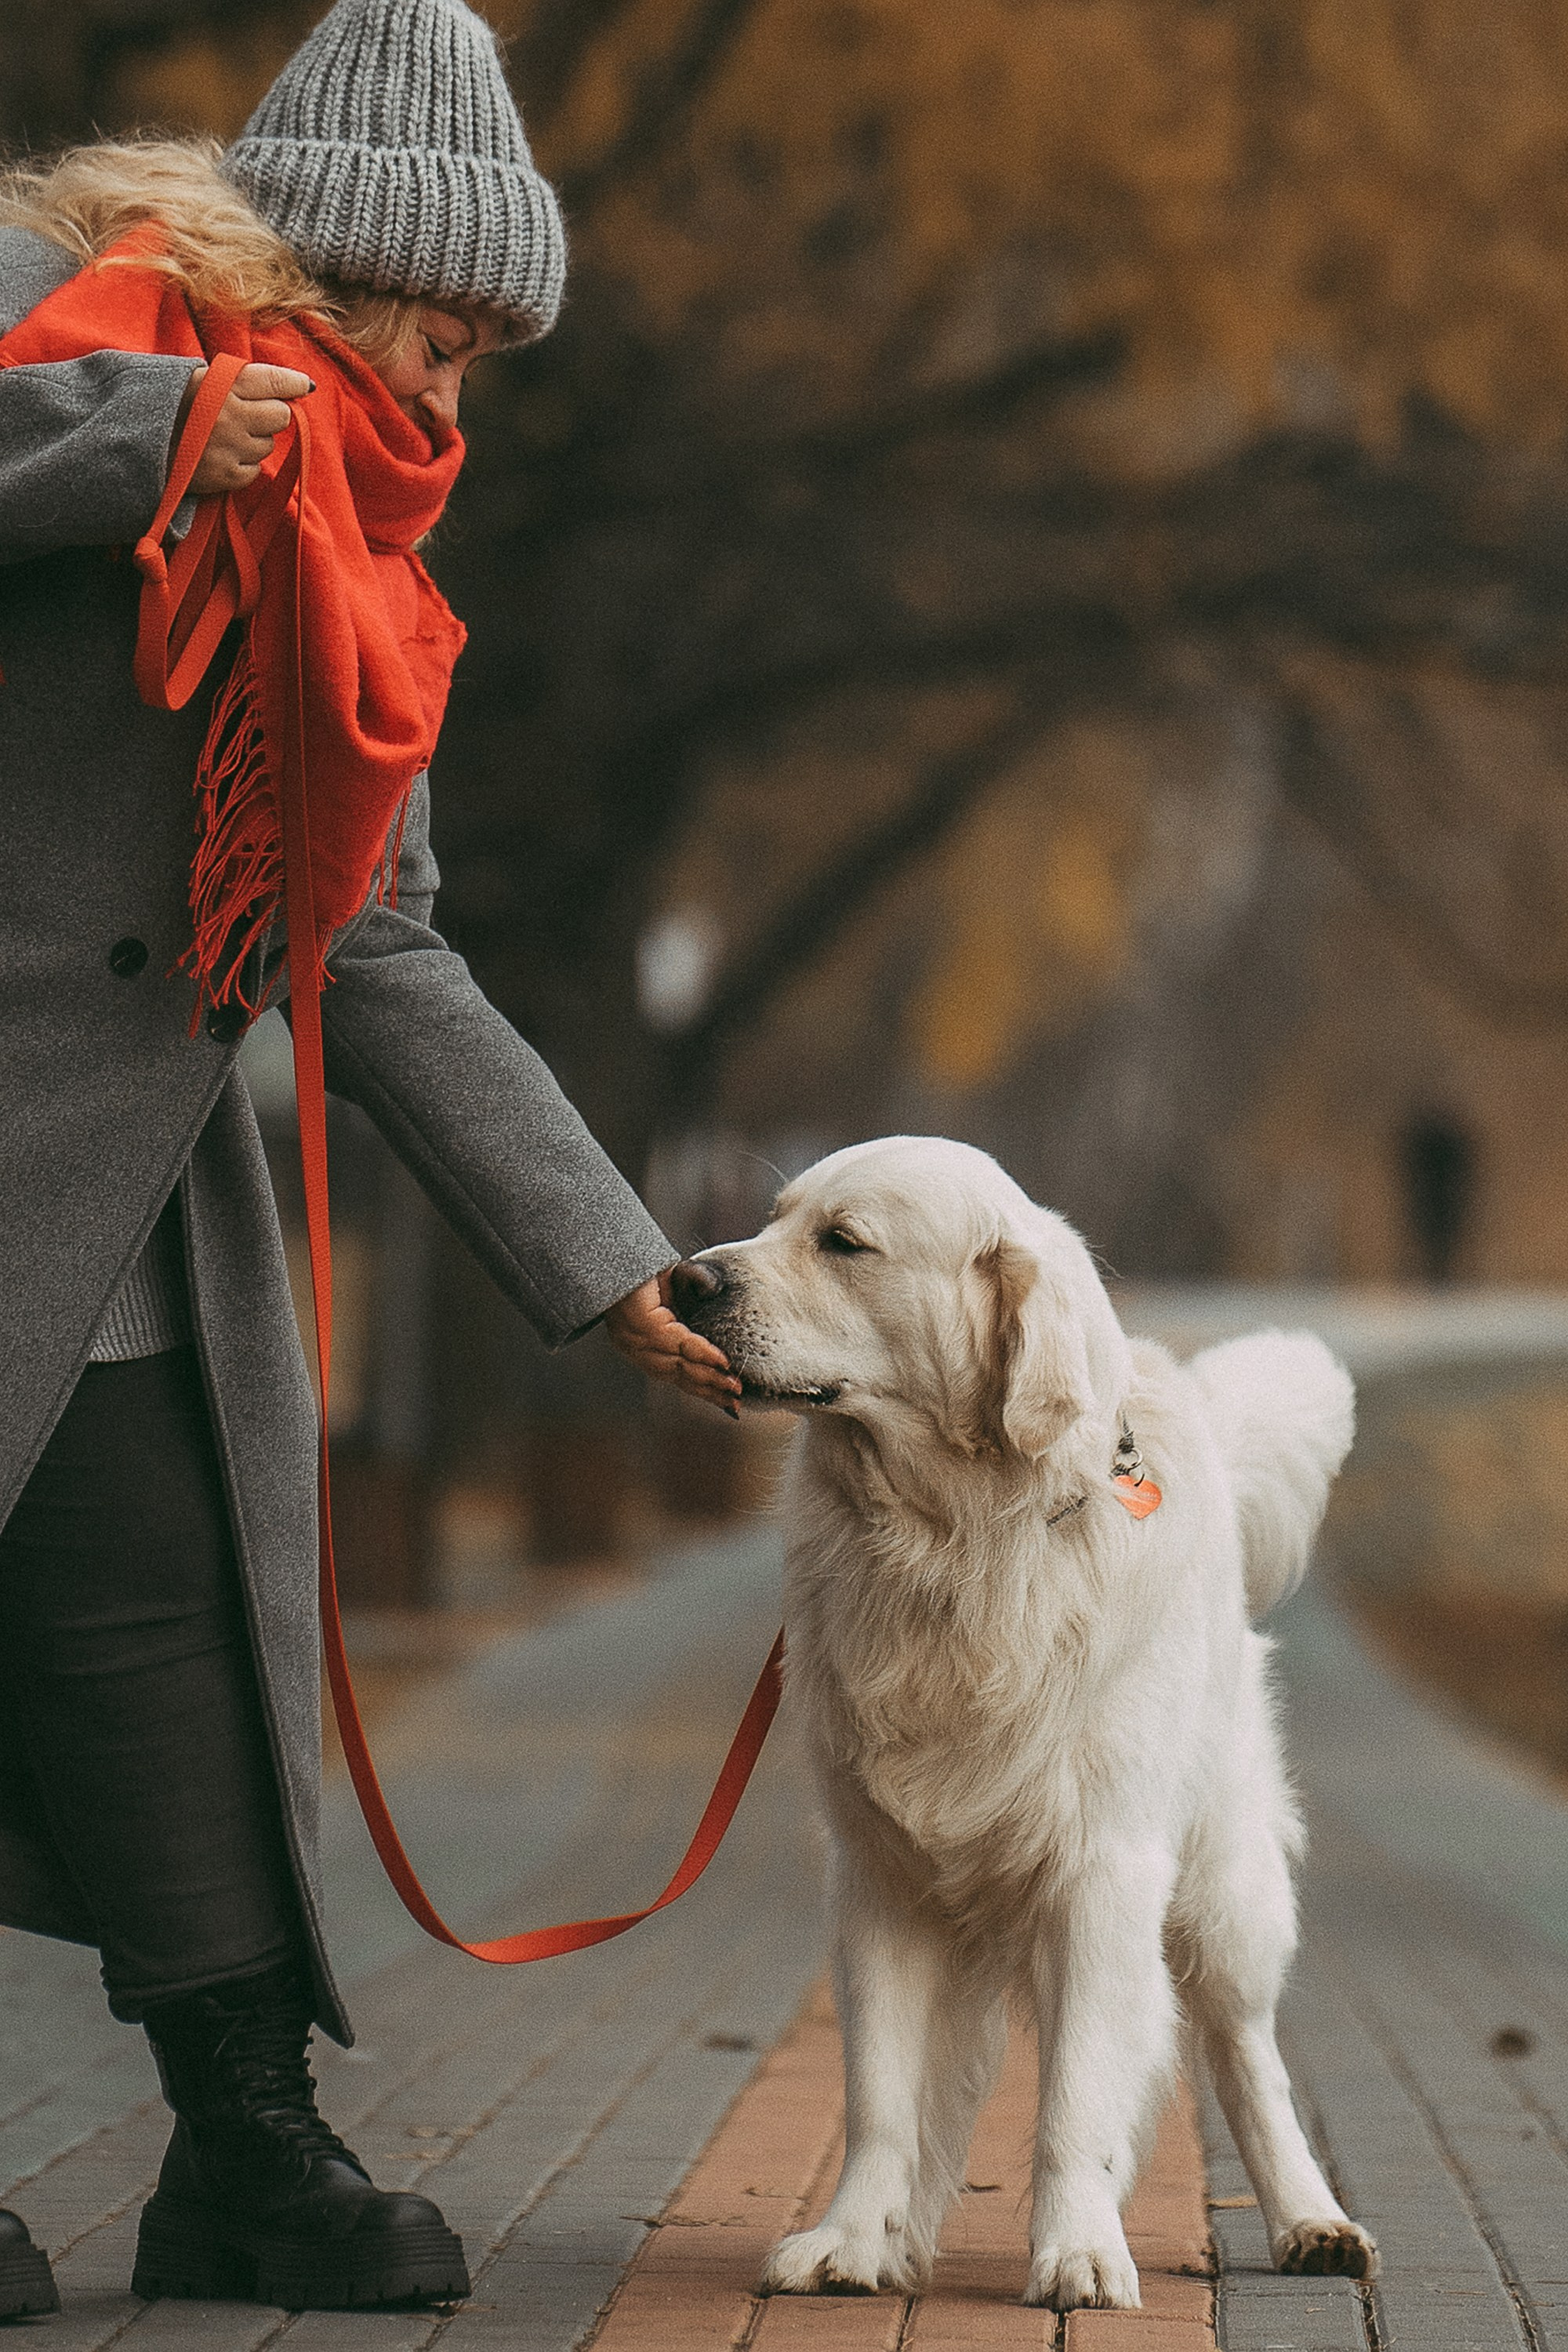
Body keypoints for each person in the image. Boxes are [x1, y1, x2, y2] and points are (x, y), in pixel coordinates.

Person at [0, 0, 738, 2318]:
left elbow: (376, 951)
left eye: (496, 342)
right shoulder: (68, 332)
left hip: (120, 1211)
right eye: (453, 320)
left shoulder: (359, 572)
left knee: (173, 1656)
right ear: (330, 263)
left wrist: (607, 1265)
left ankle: (241, 2152)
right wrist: (142, 445)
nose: (465, 378)